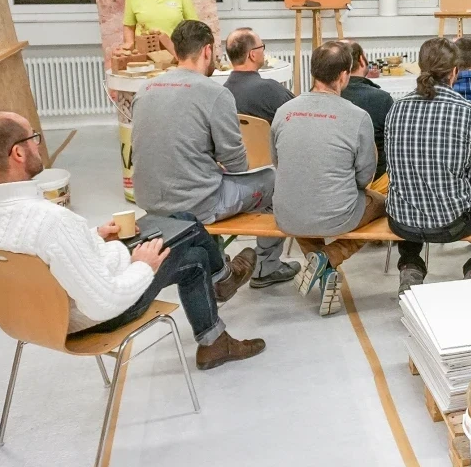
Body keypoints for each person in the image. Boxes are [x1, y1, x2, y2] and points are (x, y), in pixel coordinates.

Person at [0, 112, 264, 370]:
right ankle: (223, 282)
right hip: (95, 315)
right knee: (192, 232)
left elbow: (39, 256)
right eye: (33, 138)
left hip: (31, 319)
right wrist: (143, 266)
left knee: (187, 236)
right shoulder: (51, 221)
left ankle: (215, 332)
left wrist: (93, 237)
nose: (37, 144)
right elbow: (103, 304)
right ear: (17, 153)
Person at [131, 20, 298, 290]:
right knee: (273, 179)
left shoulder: (145, 90)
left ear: (176, 51)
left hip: (148, 200)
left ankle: (217, 260)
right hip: (196, 203)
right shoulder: (214, 93)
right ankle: (267, 266)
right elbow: (236, 164)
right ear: (207, 51)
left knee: (210, 176)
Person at [384, 37, 471, 292]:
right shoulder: (468, 112)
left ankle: (410, 265)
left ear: (420, 68)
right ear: (455, 71)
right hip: (452, 223)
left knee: (408, 204)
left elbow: (393, 166)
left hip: (400, 221)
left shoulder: (397, 109)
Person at [272, 41, 385, 317]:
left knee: (303, 206)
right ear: (345, 75)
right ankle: (328, 258)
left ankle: (322, 269)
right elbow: (365, 177)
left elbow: (278, 163)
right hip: (338, 214)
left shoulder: (284, 111)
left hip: (286, 213)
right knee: (384, 206)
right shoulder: (358, 117)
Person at [339, 40, 393, 185]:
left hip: (336, 180)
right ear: (362, 60)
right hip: (376, 182)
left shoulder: (325, 99)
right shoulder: (382, 99)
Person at [222, 27, 293, 125]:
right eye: (262, 47)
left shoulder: (223, 93)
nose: (264, 52)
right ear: (252, 55)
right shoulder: (270, 89)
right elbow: (300, 114)